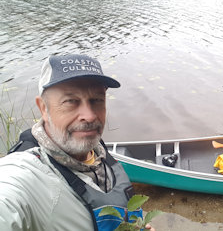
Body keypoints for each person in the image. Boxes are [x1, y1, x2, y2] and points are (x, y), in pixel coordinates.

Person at [0, 54, 155, 231]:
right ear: (43, 108)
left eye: (96, 100)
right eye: (70, 101)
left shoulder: (96, 150)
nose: (89, 116)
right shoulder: (25, 176)